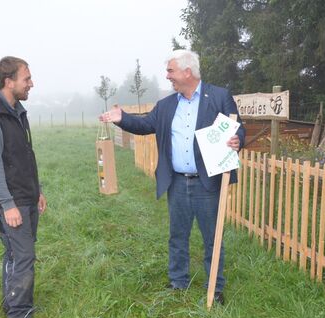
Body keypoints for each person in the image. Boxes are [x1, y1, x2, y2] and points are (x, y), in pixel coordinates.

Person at [99, 49, 245, 304]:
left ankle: (215, 287)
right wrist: (122, 118)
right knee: (178, 235)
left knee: (213, 237)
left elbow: (238, 127)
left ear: (187, 72)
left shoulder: (219, 96)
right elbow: (145, 125)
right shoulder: (166, 105)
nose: (167, 77)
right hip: (176, 182)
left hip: (207, 182)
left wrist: (237, 140)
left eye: (170, 71)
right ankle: (178, 281)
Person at [0, 56, 47, 318]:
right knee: (23, 255)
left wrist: (37, 190)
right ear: (9, 82)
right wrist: (7, 205)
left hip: (26, 196)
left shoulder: (17, 112)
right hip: (12, 202)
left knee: (17, 254)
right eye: (26, 78)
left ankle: (13, 300)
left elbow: (25, 156)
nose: (31, 83)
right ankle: (19, 314)